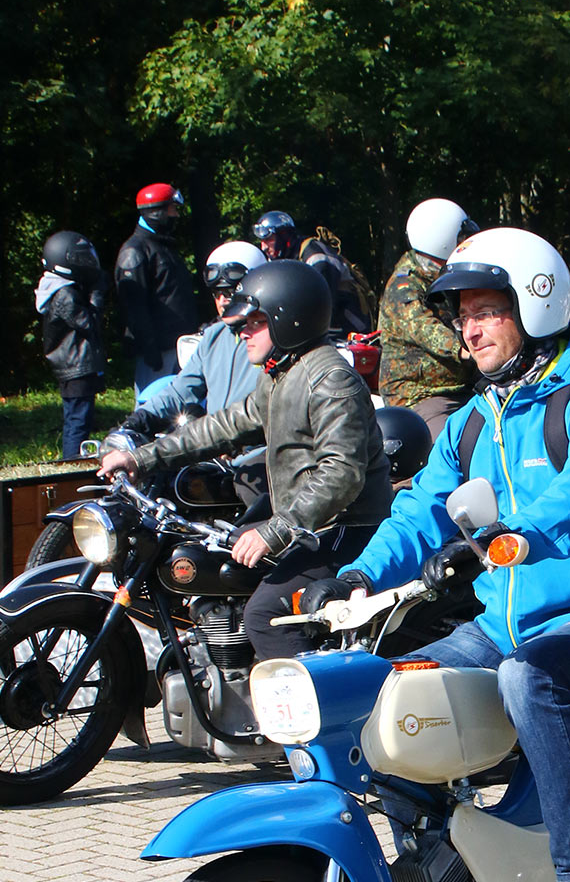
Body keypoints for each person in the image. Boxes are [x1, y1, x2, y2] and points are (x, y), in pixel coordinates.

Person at [303, 227, 570, 882]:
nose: (468, 331)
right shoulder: (474, 419)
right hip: (500, 627)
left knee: (530, 678)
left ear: (536, 305)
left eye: (485, 312)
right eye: (463, 315)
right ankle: (444, 865)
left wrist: (515, 537)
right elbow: (420, 511)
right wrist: (357, 576)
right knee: (381, 696)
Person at [99, 259, 393, 659]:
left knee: (263, 615)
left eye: (255, 322)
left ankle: (306, 698)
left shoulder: (330, 380)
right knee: (215, 561)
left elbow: (341, 474)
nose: (243, 333)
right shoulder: (281, 373)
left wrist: (274, 532)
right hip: (309, 521)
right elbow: (224, 426)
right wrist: (141, 458)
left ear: (289, 318)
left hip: (345, 526)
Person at [120, 240, 265, 442]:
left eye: (230, 292)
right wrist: (139, 419)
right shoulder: (213, 337)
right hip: (217, 448)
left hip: (257, 450)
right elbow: (180, 391)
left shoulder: (273, 340)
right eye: (217, 293)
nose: (222, 301)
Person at [378, 197, 479, 438]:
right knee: (451, 445)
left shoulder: (447, 275)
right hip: (420, 393)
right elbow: (427, 330)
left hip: (463, 386)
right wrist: (469, 348)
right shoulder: (404, 286)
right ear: (442, 241)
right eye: (460, 239)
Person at [114, 182, 198, 402]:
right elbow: (134, 306)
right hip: (157, 352)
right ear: (157, 213)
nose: (176, 215)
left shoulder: (163, 246)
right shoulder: (135, 251)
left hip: (175, 345)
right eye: (172, 210)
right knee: (151, 406)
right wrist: (150, 348)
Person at [35, 231, 107, 458]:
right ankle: (72, 464)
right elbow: (89, 323)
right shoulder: (64, 294)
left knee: (77, 418)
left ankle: (73, 461)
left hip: (74, 365)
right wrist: (97, 294)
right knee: (78, 421)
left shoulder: (63, 289)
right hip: (75, 367)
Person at [252, 209, 372, 336]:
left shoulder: (316, 258)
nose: (263, 247)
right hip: (326, 331)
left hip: (348, 332)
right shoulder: (289, 259)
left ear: (284, 236)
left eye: (269, 239)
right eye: (261, 241)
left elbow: (320, 307)